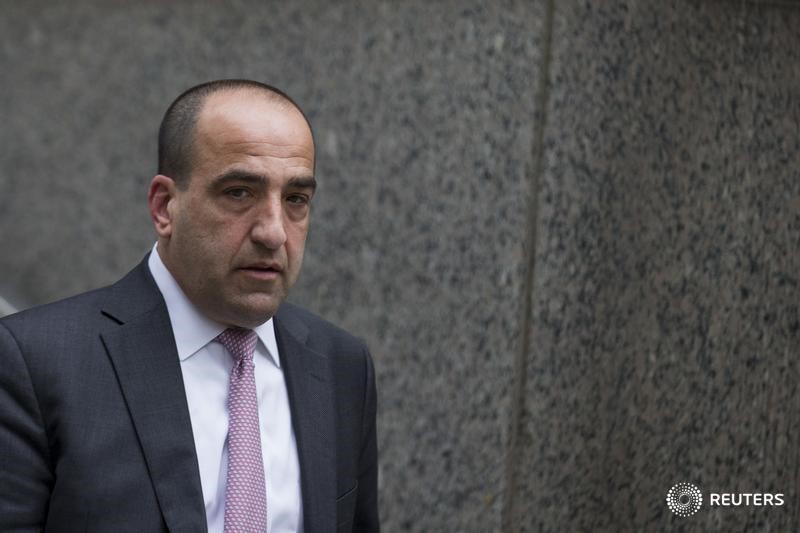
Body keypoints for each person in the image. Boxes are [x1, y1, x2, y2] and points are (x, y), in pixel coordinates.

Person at [0, 80, 379, 532]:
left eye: (296, 199)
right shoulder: (35, 362)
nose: (274, 232)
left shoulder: (341, 365)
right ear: (165, 207)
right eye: (239, 192)